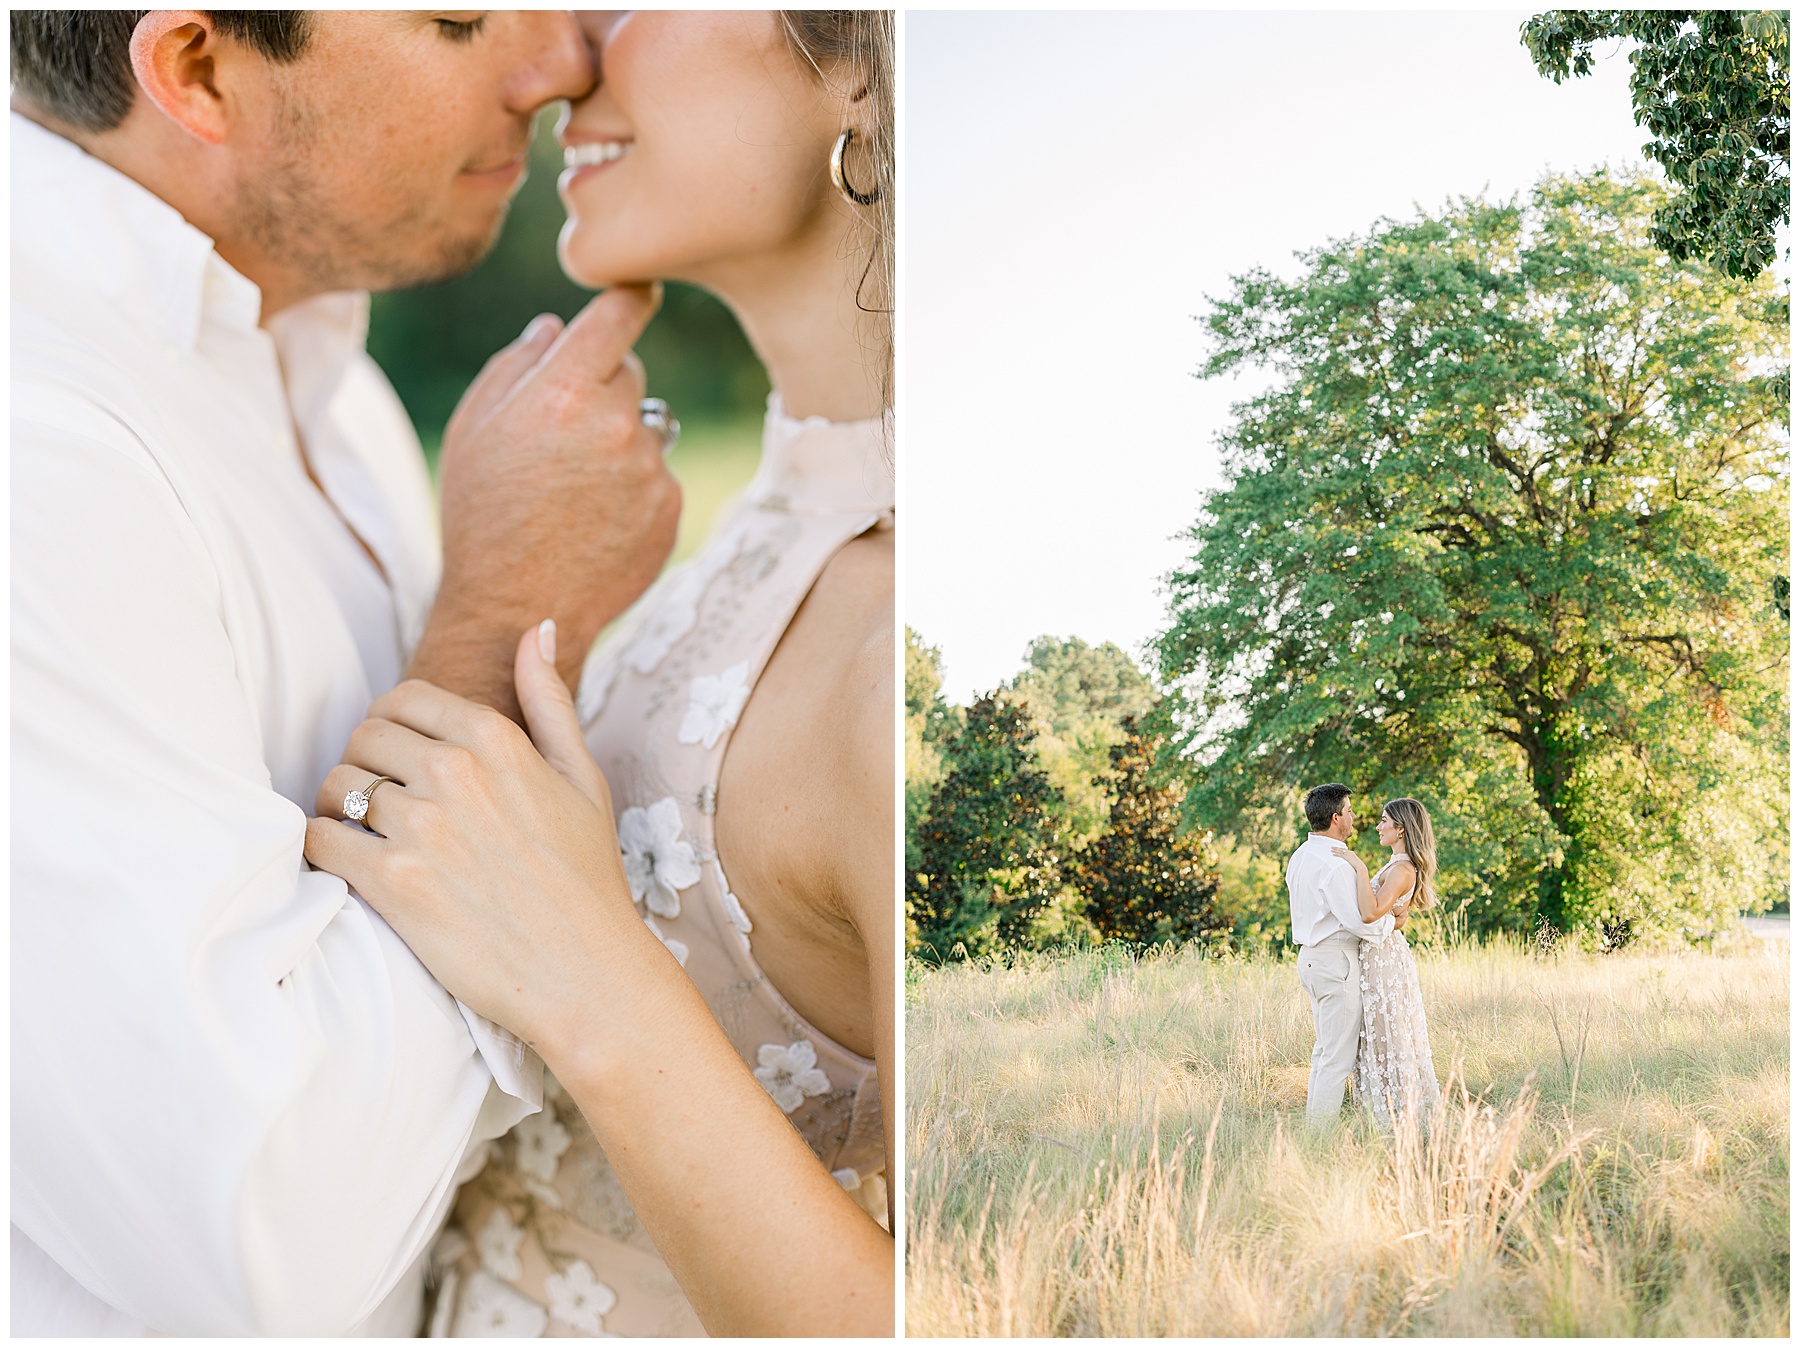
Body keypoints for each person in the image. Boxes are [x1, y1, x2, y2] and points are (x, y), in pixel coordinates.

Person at [11, 11, 680, 1335]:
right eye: (459, 19)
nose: (563, 64)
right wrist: (510, 619)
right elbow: (274, 1221)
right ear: (198, 70)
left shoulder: (328, 374)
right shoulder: (37, 450)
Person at [303, 10, 896, 1336]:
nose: (572, 53)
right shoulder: (769, 525)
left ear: (863, 61)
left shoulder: (898, 663)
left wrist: (594, 981)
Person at [1284, 784, 1395, 1126]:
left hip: (1311, 960)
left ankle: (1313, 1128)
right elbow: (1362, 921)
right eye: (1349, 811)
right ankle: (1318, 1137)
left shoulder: (1301, 856)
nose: (1354, 817)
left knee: (1324, 1052)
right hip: (1336, 962)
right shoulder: (1336, 864)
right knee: (1336, 1059)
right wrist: (1392, 921)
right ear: (1335, 818)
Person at [1333, 798, 1442, 1128]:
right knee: (1375, 1036)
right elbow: (1389, 915)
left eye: (1384, 821)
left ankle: (1396, 1117)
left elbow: (1370, 912)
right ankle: (1377, 1110)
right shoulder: (1397, 865)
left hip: (1384, 961)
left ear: (1401, 829)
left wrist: (1359, 867)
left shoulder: (1403, 869)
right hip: (1376, 954)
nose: (1378, 827)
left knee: (1387, 1036)